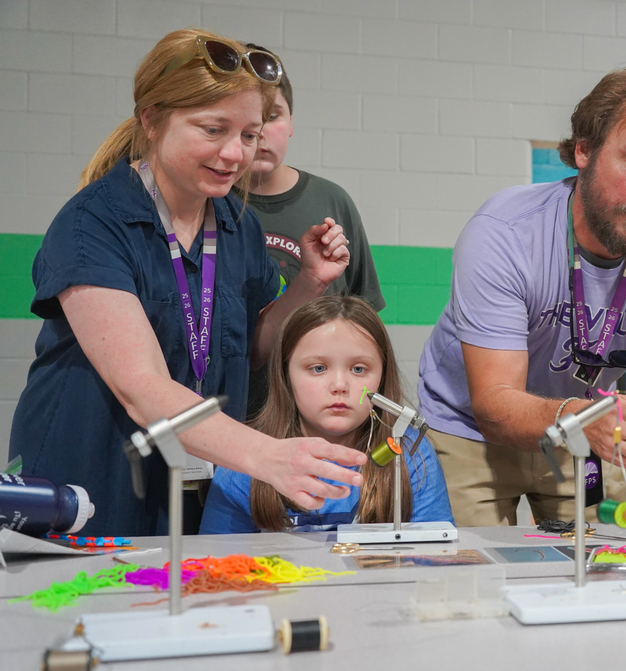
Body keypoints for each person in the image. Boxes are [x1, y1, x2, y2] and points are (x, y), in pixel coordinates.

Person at [8, 29, 369, 537]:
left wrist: (308, 284)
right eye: (213, 129)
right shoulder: (93, 224)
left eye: (249, 135)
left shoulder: (237, 225)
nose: (235, 154)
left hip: (194, 475)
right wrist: (267, 456)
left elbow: (250, 348)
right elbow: (142, 387)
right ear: (152, 120)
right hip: (93, 475)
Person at [417, 65, 626, 527]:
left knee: (604, 559)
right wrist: (583, 417)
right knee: (472, 566)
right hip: (470, 430)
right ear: (584, 150)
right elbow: (495, 404)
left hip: (587, 426)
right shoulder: (504, 233)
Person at [200, 296, 453, 533]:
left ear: (382, 377)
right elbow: (215, 559)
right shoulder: (247, 458)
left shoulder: (410, 453)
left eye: (358, 369)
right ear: (285, 375)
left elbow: (435, 557)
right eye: (318, 368)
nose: (339, 385)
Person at [237, 44, 384, 420]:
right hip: (236, 408)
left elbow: (363, 319)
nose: (260, 132)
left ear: (291, 122)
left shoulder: (331, 200)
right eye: (247, 120)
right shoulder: (208, 205)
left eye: (272, 116)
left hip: (316, 417)